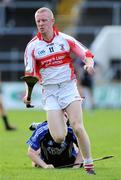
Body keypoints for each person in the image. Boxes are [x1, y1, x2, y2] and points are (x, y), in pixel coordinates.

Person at [23, 7, 95, 175]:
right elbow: (30, 74)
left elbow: (86, 54)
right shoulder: (32, 47)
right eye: (38, 21)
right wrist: (28, 94)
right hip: (49, 92)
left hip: (68, 88)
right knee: (59, 137)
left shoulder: (64, 39)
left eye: (44, 21)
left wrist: (89, 64)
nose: (41, 24)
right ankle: (43, 126)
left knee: (77, 126)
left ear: (52, 21)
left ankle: (89, 165)